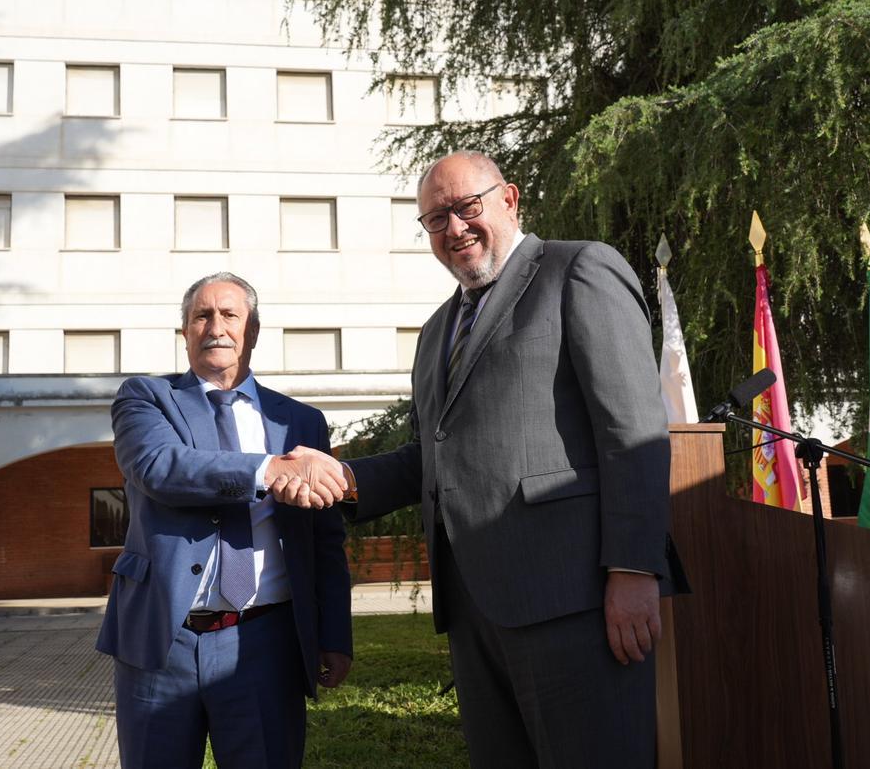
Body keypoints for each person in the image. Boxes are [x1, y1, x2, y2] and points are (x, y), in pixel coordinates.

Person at [273, 151, 674, 768]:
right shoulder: (437, 331)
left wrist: (634, 570)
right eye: (435, 219)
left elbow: (633, 432)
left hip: (578, 600)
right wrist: (345, 477)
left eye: (466, 207)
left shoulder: (578, 270)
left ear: (509, 198)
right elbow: (432, 455)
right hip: (473, 609)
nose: (454, 228)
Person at [96, 271, 353, 769]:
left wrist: (334, 636)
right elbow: (161, 468)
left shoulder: (300, 422)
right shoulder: (147, 398)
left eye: (230, 314)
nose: (216, 325)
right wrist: (267, 469)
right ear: (186, 331)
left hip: (265, 644)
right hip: (161, 645)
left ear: (251, 330)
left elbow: (325, 540)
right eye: (201, 315)